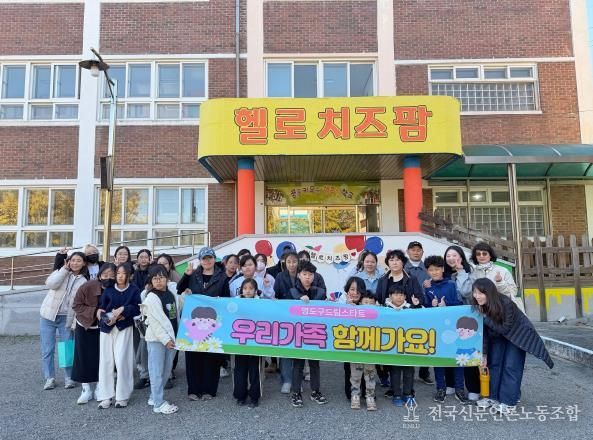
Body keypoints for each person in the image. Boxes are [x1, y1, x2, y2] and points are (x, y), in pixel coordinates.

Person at [472, 278, 553, 415]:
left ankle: (509, 402)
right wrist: (484, 354)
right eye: (475, 292)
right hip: (497, 335)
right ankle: (493, 398)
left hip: (518, 335)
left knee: (511, 366)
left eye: (481, 293)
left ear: (489, 293)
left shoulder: (505, 303)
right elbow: (483, 333)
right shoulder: (480, 306)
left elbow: (505, 328)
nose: (477, 296)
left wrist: (484, 318)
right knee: (494, 364)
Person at [177, 247, 229, 401]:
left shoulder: (222, 277)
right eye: (204, 258)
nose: (207, 261)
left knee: (211, 356)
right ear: (200, 261)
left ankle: (209, 390)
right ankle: (193, 389)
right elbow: (179, 289)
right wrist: (186, 275)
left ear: (214, 259)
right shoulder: (193, 275)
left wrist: (220, 301)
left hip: (213, 322)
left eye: (209, 258)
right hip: (194, 321)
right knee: (193, 355)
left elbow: (226, 299)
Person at [423, 256, 471, 405]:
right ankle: (440, 388)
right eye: (431, 270)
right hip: (436, 329)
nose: (434, 272)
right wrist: (430, 305)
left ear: (443, 269)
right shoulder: (427, 286)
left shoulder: (451, 284)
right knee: (438, 360)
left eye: (437, 269)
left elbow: (460, 303)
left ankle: (459, 389)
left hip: (453, 328)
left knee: (457, 359)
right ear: (427, 271)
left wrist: (447, 305)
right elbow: (424, 307)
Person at [40, 251, 89, 390]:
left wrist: (74, 323)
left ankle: (69, 378)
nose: (75, 263)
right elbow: (50, 284)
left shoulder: (84, 281)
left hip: (66, 318)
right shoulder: (60, 272)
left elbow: (80, 304)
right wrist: (64, 270)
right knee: (47, 349)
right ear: (68, 261)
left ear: (84, 263)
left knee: (67, 348)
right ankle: (49, 378)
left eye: (78, 261)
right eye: (73, 260)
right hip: (48, 316)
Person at [95, 263, 141, 409]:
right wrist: (104, 316)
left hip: (124, 327)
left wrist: (123, 310)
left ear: (130, 275)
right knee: (106, 361)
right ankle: (105, 396)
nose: (120, 276)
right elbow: (101, 308)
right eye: (118, 273)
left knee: (122, 360)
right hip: (107, 328)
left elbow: (137, 308)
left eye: (124, 273)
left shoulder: (134, 290)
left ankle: (122, 396)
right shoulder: (109, 289)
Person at [71, 263, 116, 404]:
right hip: (85, 325)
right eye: (105, 275)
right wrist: (94, 311)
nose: (108, 278)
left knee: (101, 357)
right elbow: (76, 305)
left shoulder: (116, 288)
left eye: (112, 275)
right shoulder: (88, 286)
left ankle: (99, 387)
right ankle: (85, 389)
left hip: (104, 327)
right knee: (83, 357)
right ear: (99, 276)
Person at [142, 264, 182, 415]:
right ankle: (158, 404)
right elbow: (155, 323)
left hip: (172, 337)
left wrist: (188, 295)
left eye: (161, 277)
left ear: (167, 278)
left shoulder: (171, 292)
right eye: (155, 278)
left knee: (166, 370)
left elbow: (180, 307)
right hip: (157, 340)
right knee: (156, 371)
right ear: (151, 281)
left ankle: (154, 397)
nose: (158, 281)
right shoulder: (151, 298)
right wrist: (166, 339)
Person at [289, 262, 328, 408]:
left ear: (314, 276)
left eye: (310, 274)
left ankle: (315, 391)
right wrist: (298, 299)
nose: (307, 277)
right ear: (299, 275)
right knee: (297, 364)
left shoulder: (320, 292)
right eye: (304, 274)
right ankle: (296, 392)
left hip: (314, 332)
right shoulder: (292, 292)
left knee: (314, 364)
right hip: (298, 333)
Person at [404, 241, 434, 386]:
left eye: (418, 250)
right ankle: (406, 373)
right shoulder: (403, 268)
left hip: (426, 308)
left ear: (422, 252)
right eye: (413, 250)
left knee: (426, 340)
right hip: (407, 310)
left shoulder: (428, 268)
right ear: (407, 252)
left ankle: (424, 372)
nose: (416, 252)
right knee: (405, 340)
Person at [385, 285, 421, 406]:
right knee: (395, 371)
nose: (399, 297)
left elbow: (423, 317)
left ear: (405, 296)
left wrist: (417, 306)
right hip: (393, 346)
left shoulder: (410, 308)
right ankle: (396, 394)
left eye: (401, 295)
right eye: (396, 294)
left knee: (409, 371)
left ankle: (407, 394)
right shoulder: (385, 309)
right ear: (390, 296)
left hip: (409, 345)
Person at [347, 283, 377, 411]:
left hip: (371, 350)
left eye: (371, 303)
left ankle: (370, 397)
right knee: (355, 374)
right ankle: (355, 395)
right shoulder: (354, 313)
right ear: (360, 303)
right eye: (365, 302)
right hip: (356, 349)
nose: (368, 305)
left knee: (370, 374)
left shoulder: (379, 315)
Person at [470, 242, 524, 312]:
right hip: (483, 310)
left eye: (484, 253)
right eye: (478, 254)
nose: (481, 256)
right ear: (475, 256)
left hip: (503, 309)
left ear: (490, 255)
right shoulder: (473, 273)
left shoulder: (503, 270)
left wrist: (500, 283)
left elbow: (513, 292)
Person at [273, 251, 299, 393]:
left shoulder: (303, 275)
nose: (291, 264)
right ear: (285, 262)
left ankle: (297, 380)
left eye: (294, 261)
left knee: (299, 350)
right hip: (285, 317)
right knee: (285, 349)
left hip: (300, 318)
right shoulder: (280, 276)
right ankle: (287, 380)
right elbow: (276, 295)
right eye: (289, 262)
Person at [233, 278, 262, 408]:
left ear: (255, 290)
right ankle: (240, 395)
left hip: (256, 341)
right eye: (245, 288)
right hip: (240, 341)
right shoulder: (235, 302)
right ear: (241, 290)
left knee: (255, 369)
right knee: (240, 369)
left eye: (251, 288)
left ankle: (254, 396)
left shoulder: (260, 303)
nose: (248, 291)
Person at [341, 277, 367, 400]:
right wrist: (347, 307)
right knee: (349, 369)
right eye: (352, 289)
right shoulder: (340, 304)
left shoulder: (368, 303)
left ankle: (367, 392)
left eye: (358, 290)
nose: (355, 293)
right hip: (348, 343)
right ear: (347, 290)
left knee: (366, 368)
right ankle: (351, 392)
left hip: (365, 342)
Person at [132, 248, 152, 390]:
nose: (143, 259)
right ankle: (142, 370)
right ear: (137, 259)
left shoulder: (153, 272)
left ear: (150, 258)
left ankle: (149, 372)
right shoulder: (133, 274)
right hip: (135, 312)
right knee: (137, 342)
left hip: (149, 312)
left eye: (146, 257)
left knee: (147, 343)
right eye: (141, 257)